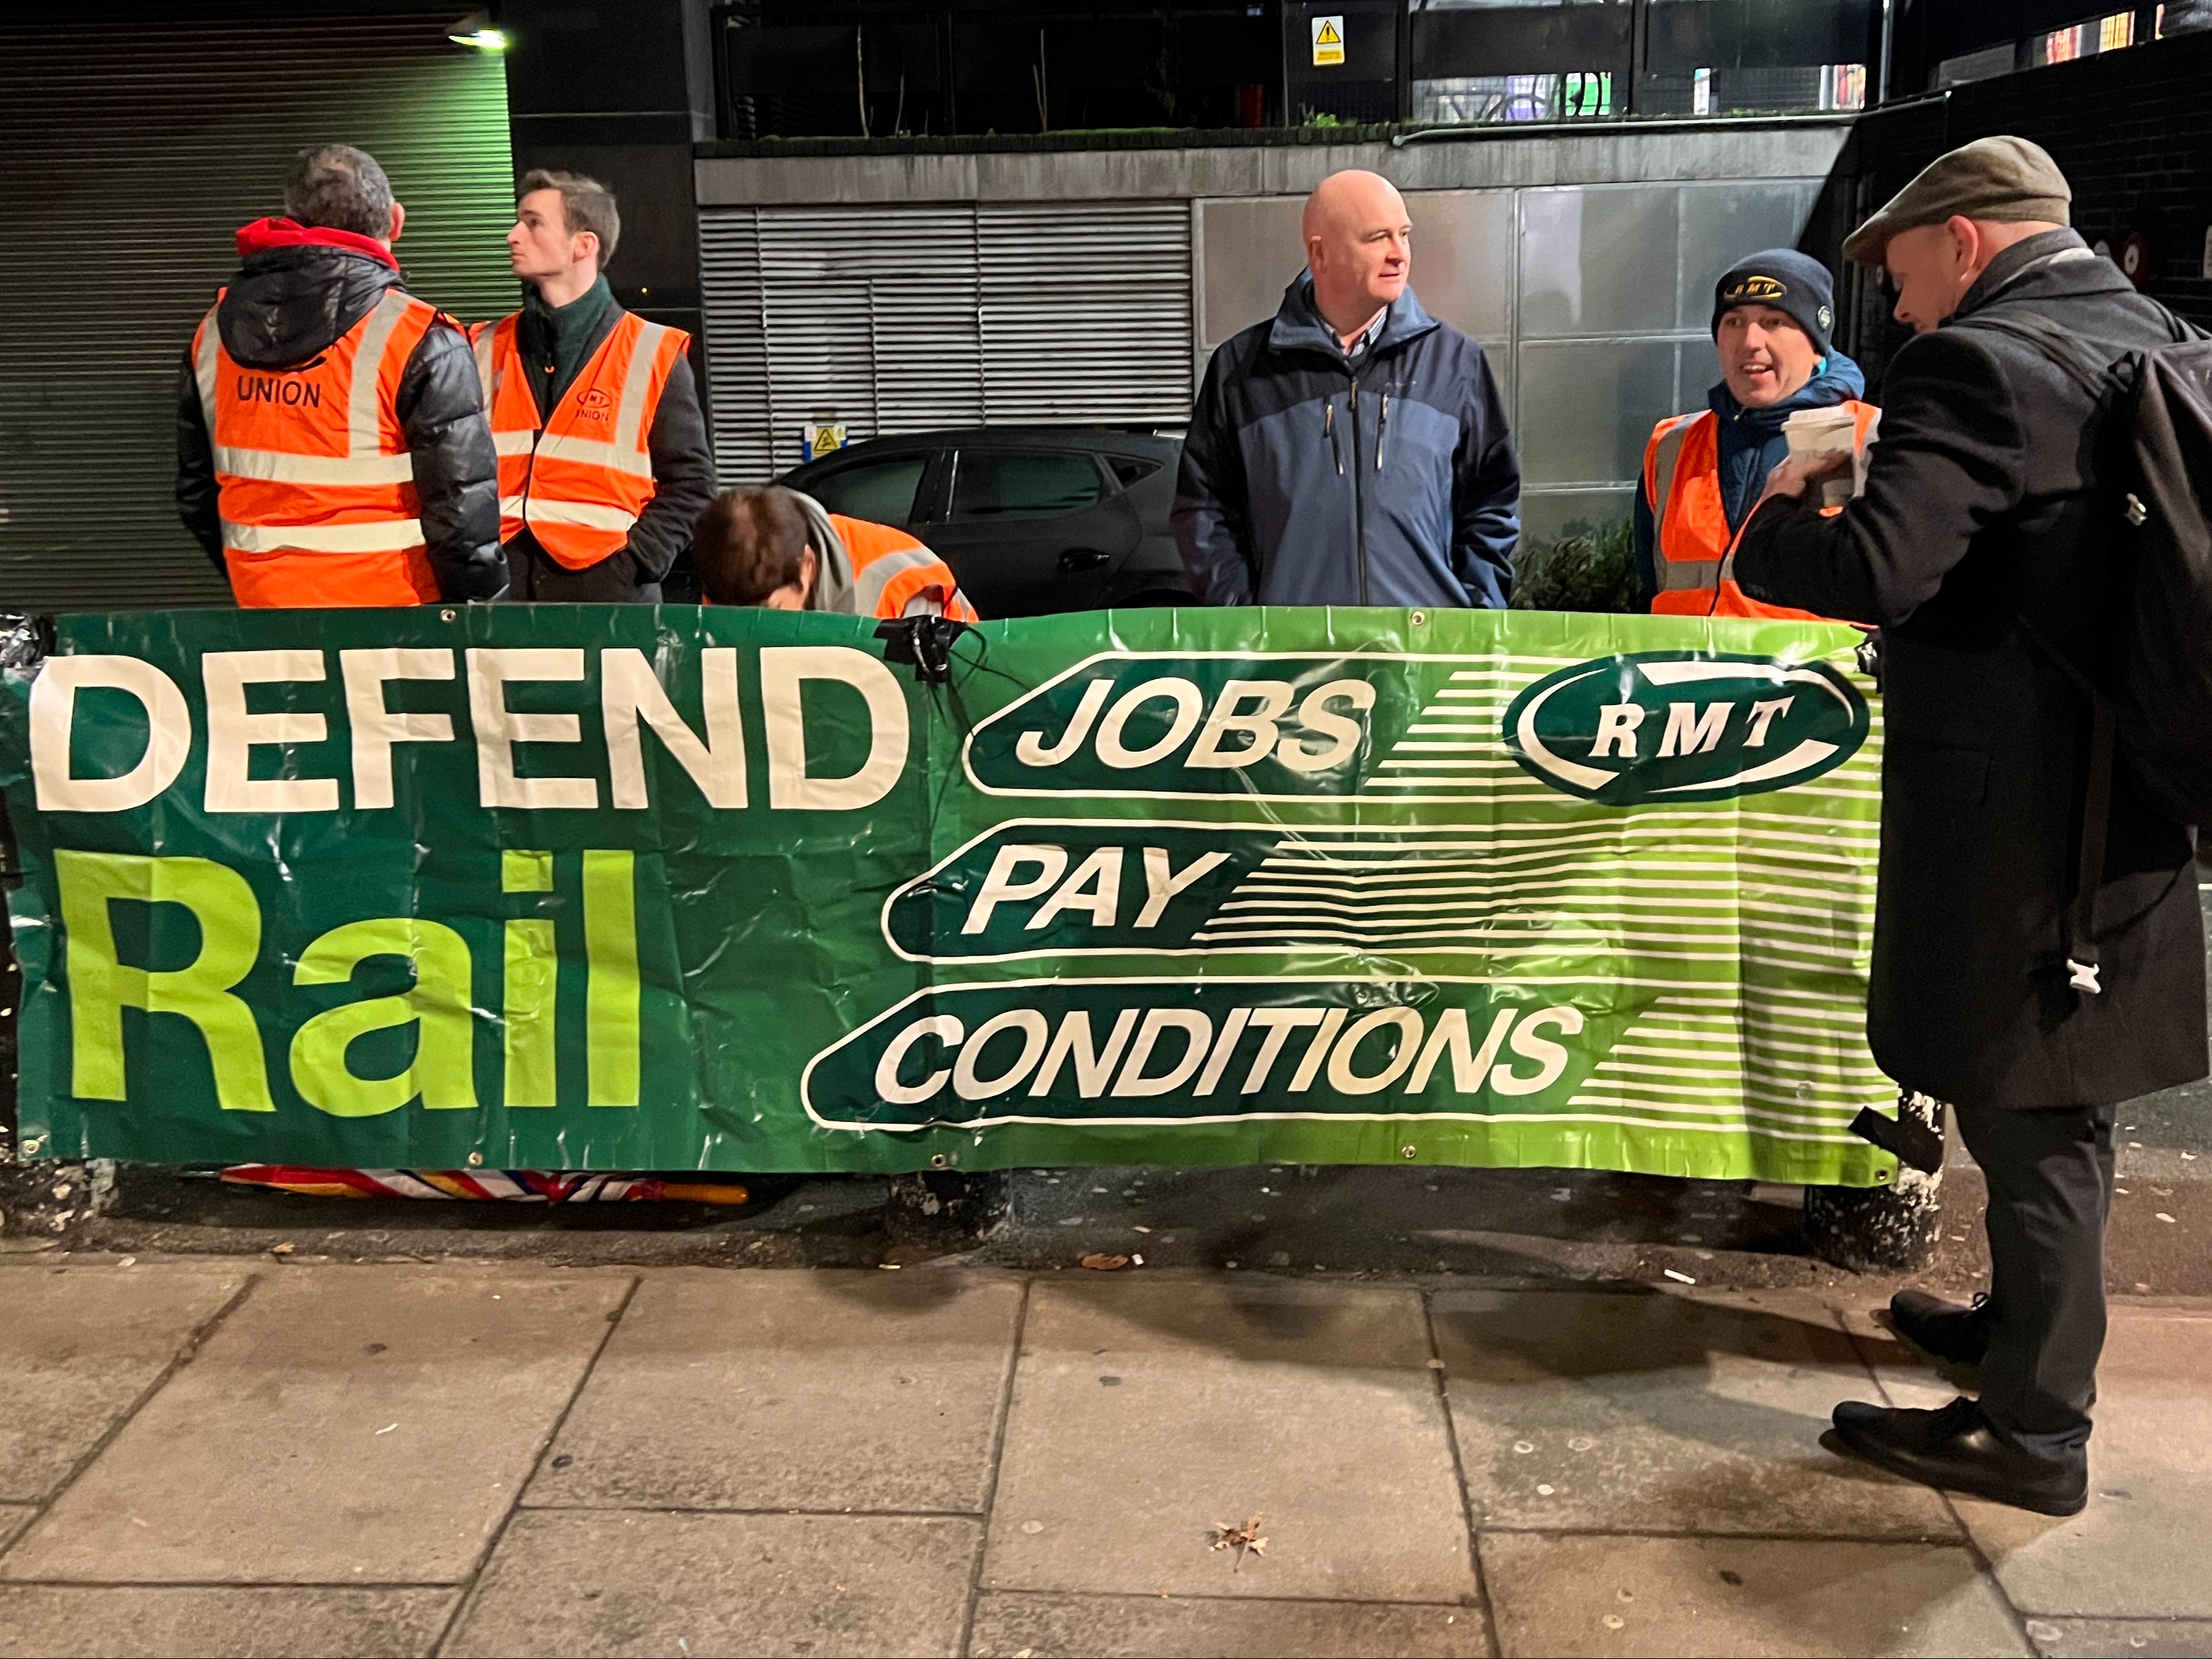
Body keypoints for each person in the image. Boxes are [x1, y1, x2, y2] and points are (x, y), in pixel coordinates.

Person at [1732, 136, 2209, 1514]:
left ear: (1966, 239)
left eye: (1900, 271)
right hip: (2127, 785)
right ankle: (2023, 1336)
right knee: (2064, 1094)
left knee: (2028, 1108)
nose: (1901, 307)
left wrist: (1774, 522)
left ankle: (2032, 1430)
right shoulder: (2151, 332)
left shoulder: (1979, 364)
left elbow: (1884, 565)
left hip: (2016, 814)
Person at [1173, 169, 1520, 609]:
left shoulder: (1456, 363)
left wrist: (1476, 614)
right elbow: (1204, 511)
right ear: (1320, 253)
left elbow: (1492, 503)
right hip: (1293, 659)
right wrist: (1243, 620)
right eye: (1378, 238)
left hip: (1423, 659)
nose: (1399, 254)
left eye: (1404, 235)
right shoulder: (1242, 370)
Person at [176, 145, 503, 606]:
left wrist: (261, 577)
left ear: (293, 218)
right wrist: (478, 614)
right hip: (396, 617)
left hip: (266, 610)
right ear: (395, 221)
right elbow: (462, 512)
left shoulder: (212, 333)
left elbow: (196, 493)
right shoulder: (419, 337)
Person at [472, 171, 713, 602]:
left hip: (609, 595)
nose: (513, 236)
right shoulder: (484, 345)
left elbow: (691, 483)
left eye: (533, 222)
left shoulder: (651, 350)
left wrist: (636, 563)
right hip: (502, 588)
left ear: (584, 244)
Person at [1636, 249, 1875, 616]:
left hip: (1815, 673)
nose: (1750, 341)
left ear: (1816, 344)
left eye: (1774, 321)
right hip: (1687, 670)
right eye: (1733, 321)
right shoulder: (1671, 445)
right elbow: (1653, 577)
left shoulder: (1874, 441)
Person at [691, 485, 977, 620]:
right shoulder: (729, 569)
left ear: (807, 567)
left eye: (772, 611)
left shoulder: (900, 590)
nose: (754, 627)